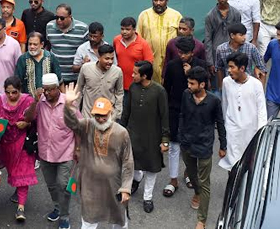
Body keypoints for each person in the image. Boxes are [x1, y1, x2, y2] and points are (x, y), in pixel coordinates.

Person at [63, 87, 133, 229]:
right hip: (90, 184)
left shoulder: (121, 133)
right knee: (89, 219)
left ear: (111, 113)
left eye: (104, 115)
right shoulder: (87, 125)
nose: (100, 119)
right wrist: (68, 106)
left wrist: (125, 188)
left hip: (114, 185)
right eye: (97, 115)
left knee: (119, 218)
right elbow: (72, 123)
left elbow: (128, 161)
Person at [21, 73, 74, 228]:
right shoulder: (40, 101)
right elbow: (28, 119)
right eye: (45, 90)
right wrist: (35, 102)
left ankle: (64, 216)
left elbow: (78, 125)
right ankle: (57, 208)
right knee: (51, 185)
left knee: (63, 185)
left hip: (66, 151)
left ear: (57, 88)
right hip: (45, 152)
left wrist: (78, 149)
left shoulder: (68, 102)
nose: (47, 93)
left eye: (50, 90)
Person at [162, 36, 211, 197]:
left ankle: (189, 174)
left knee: (191, 147)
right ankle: (173, 179)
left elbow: (206, 88)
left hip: (196, 112)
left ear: (192, 52)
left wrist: (189, 73)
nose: (182, 56)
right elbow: (166, 89)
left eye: (185, 53)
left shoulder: (201, 66)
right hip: (175, 111)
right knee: (174, 147)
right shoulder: (172, 66)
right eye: (180, 52)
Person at [179, 66, 226, 229]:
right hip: (187, 144)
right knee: (192, 176)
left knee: (204, 182)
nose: (188, 86)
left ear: (202, 85)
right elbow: (182, 115)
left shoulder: (214, 101)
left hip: (204, 146)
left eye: (192, 83)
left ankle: (202, 219)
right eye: (188, 82)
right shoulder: (186, 95)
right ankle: (197, 193)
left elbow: (220, 123)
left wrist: (223, 145)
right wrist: (180, 135)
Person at [121, 62, 169, 214]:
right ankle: (132, 183)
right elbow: (126, 112)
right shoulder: (133, 87)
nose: (132, 75)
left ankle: (147, 197)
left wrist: (165, 140)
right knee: (131, 162)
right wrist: (121, 131)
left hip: (152, 137)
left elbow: (164, 116)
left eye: (135, 73)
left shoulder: (159, 91)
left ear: (145, 76)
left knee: (151, 167)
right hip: (133, 134)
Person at [0, 76, 37, 221]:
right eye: (8, 92)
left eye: (14, 92)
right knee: (12, 172)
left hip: (23, 142)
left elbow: (35, 120)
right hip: (5, 143)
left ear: (20, 90)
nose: (11, 96)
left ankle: (21, 208)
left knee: (23, 174)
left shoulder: (28, 101)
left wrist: (27, 124)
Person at [219, 53, 266, 170]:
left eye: (232, 67)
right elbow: (225, 104)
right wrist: (225, 127)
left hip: (251, 131)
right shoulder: (226, 82)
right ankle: (233, 187)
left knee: (250, 163)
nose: (229, 70)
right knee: (232, 164)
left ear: (242, 68)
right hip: (232, 130)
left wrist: (261, 132)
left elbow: (261, 110)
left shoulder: (256, 84)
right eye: (228, 67)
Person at [137, 0, 182, 84]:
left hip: (171, 61)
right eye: (155, 0)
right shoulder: (144, 15)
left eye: (161, 0)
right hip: (150, 62)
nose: (158, 3)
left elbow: (182, 39)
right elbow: (138, 39)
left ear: (167, 0)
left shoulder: (176, 15)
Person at [75, 44, 123, 119]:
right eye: (107, 59)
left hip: (107, 116)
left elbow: (119, 93)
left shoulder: (117, 71)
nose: (110, 62)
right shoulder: (86, 68)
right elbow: (79, 89)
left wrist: (117, 114)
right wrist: (76, 111)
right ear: (99, 57)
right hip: (88, 114)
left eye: (112, 58)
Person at [203, 0, 241, 75]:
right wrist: (210, 62)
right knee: (218, 85)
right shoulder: (210, 16)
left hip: (233, 53)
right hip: (216, 54)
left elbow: (239, 35)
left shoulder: (236, 13)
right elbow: (208, 39)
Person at [46, 3, 88, 84]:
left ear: (70, 17)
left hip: (76, 77)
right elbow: (48, 46)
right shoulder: (49, 26)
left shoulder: (83, 29)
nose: (58, 20)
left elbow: (87, 50)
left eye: (62, 18)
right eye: (56, 17)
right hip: (56, 76)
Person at [214, 23, 266, 89]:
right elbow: (219, 68)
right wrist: (221, 87)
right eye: (241, 35)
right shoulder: (221, 49)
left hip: (247, 85)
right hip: (230, 85)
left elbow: (262, 67)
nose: (244, 37)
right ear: (232, 35)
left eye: (245, 34)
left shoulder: (251, 48)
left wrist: (261, 89)